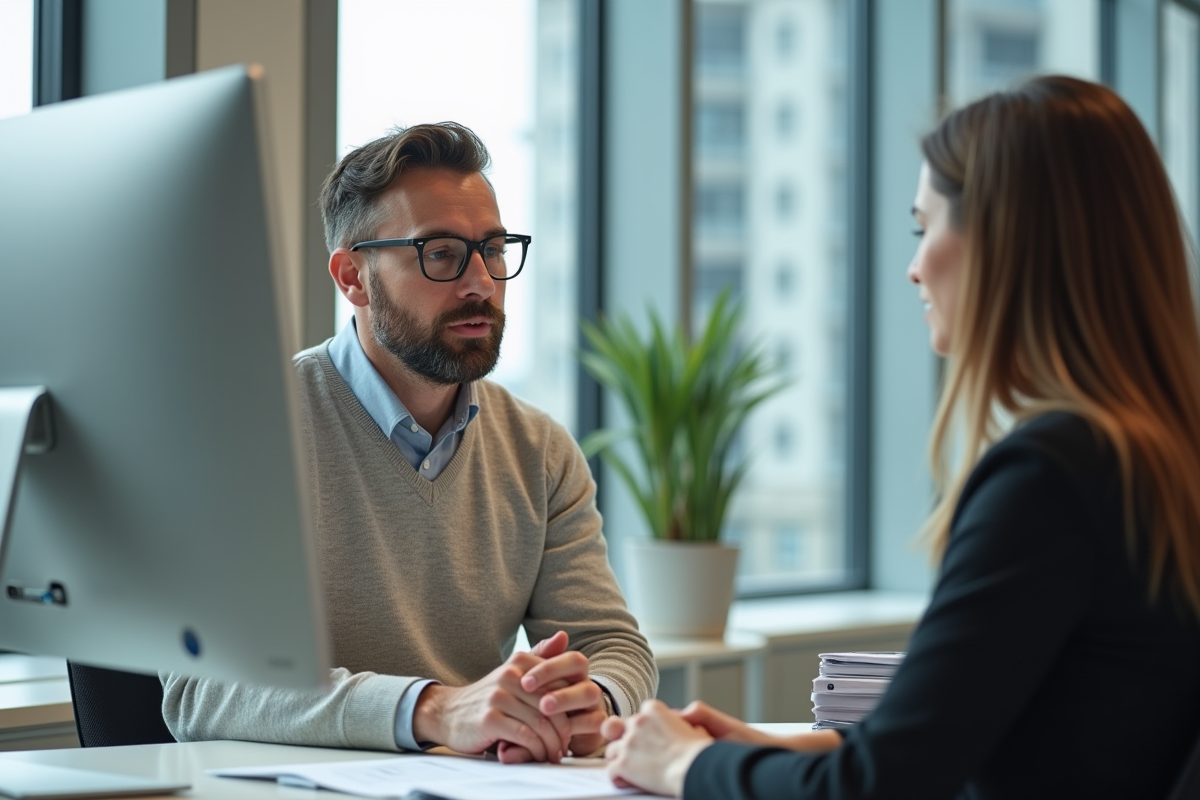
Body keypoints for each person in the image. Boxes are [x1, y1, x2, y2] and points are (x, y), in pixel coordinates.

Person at [602, 75, 1200, 798]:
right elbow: (1037, 726)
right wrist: (778, 748)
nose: (914, 268)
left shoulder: (1052, 475)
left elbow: (876, 789)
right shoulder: (1157, 461)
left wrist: (682, 765)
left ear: (1005, 239)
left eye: (924, 227)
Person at [161, 122, 657, 763]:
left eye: (494, 249)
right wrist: (436, 710)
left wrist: (593, 700)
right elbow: (201, 690)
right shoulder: (244, 429)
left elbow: (612, 645)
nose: (480, 281)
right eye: (441, 254)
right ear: (353, 278)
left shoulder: (539, 450)